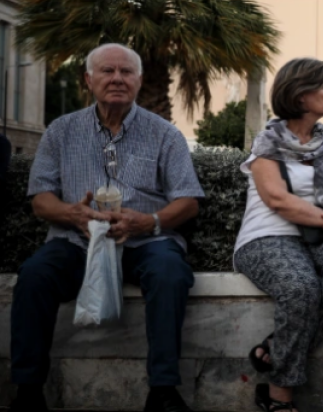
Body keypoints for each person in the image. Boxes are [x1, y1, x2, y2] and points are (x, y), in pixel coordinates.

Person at [10, 44, 203, 412]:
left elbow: (188, 201)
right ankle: (28, 390)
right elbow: (40, 200)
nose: (117, 78)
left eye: (126, 72)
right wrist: (73, 214)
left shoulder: (165, 133)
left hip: (145, 241)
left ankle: (163, 391)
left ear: (139, 80)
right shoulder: (61, 131)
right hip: (76, 241)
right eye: (107, 71)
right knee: (34, 275)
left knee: (170, 273)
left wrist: (149, 220)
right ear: (88, 79)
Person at [233, 58, 323, 412]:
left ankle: (275, 347)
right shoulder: (268, 142)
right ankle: (279, 396)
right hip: (268, 238)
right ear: (299, 95)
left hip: (319, 240)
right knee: (300, 286)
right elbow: (278, 199)